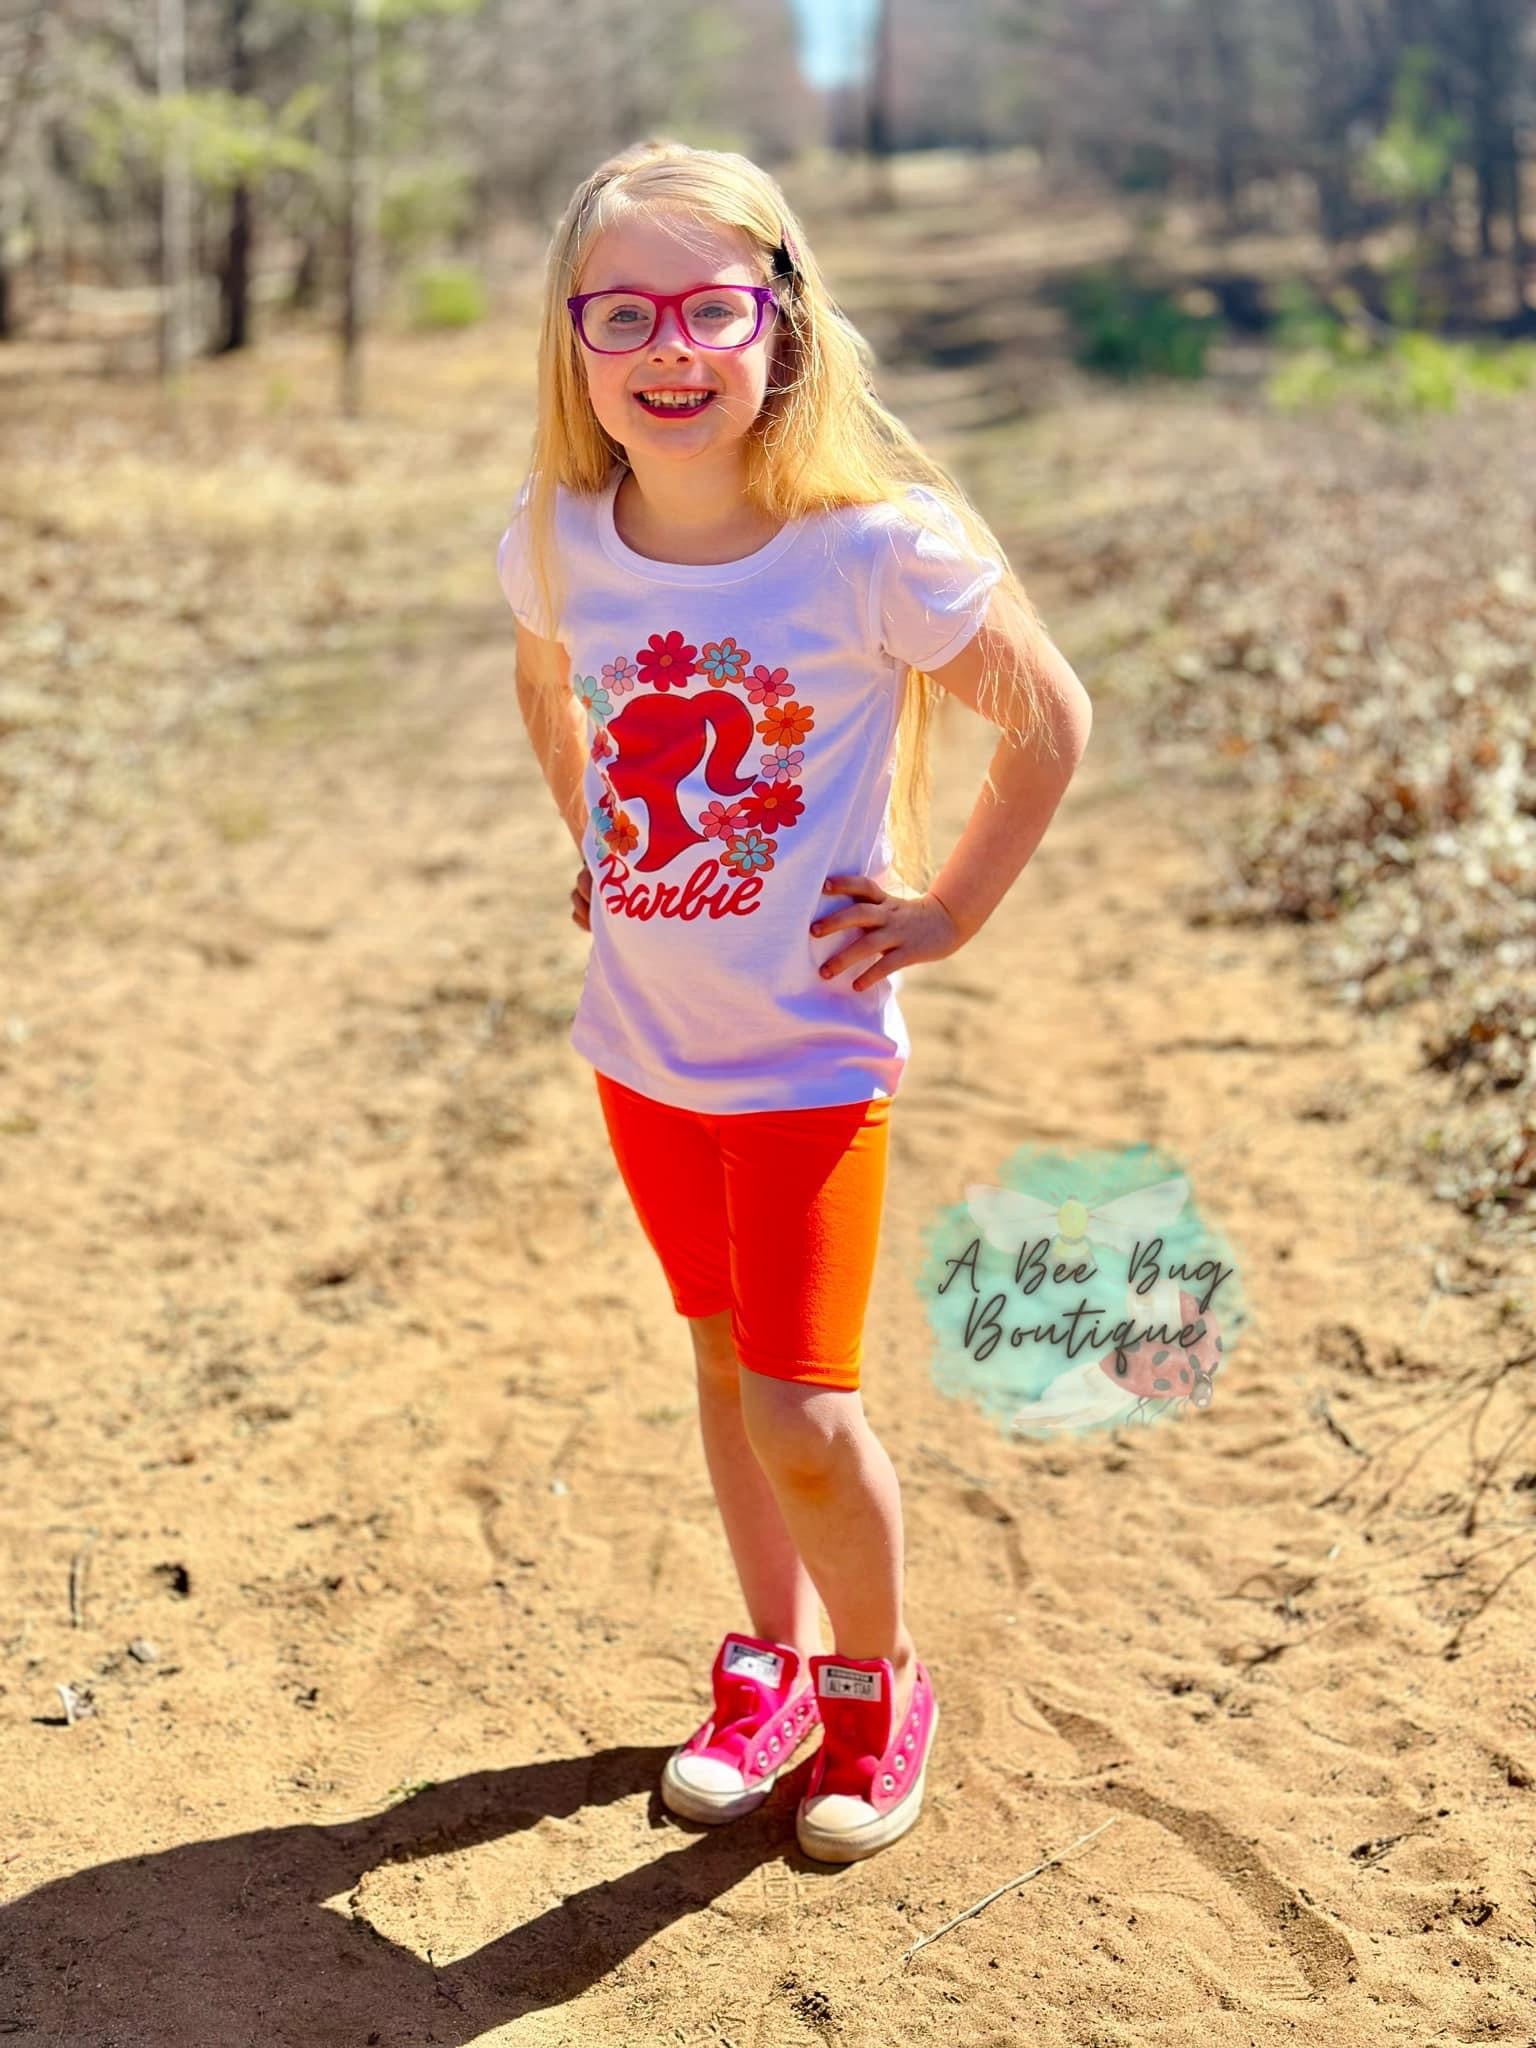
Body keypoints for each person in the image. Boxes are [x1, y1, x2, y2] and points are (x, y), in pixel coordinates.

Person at [495, 137, 1093, 1865]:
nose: (668, 346)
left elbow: (1048, 719)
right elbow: (554, 694)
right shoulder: (557, 536)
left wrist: (949, 910)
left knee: (801, 1406)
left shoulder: (870, 552)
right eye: (626, 312)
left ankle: (878, 1682)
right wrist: (599, 847)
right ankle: (767, 1664)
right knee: (717, 1357)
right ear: (578, 342)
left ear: (782, 323)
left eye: (711, 305)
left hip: (811, 1052)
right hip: (645, 1047)